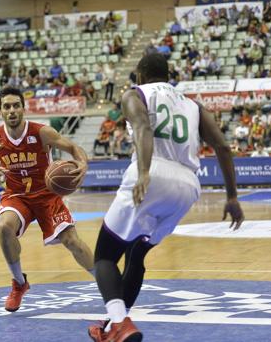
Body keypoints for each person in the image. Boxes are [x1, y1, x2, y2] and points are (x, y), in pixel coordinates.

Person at [88, 53, 244, 341]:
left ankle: (120, 323)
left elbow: (144, 128)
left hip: (152, 172)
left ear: (141, 75)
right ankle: (113, 324)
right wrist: (232, 197)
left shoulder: (135, 94)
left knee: (105, 257)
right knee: (136, 255)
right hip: (187, 186)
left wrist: (145, 173)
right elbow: (223, 147)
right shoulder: (193, 104)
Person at [0, 86, 94, 313]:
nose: (12, 110)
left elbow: (73, 147)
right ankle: (19, 283)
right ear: (1, 110)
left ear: (24, 108)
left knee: (72, 241)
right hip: (16, 195)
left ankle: (106, 281)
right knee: (5, 227)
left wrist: (82, 163)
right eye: (7, 106)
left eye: (16, 105)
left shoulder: (42, 132)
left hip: (47, 195)